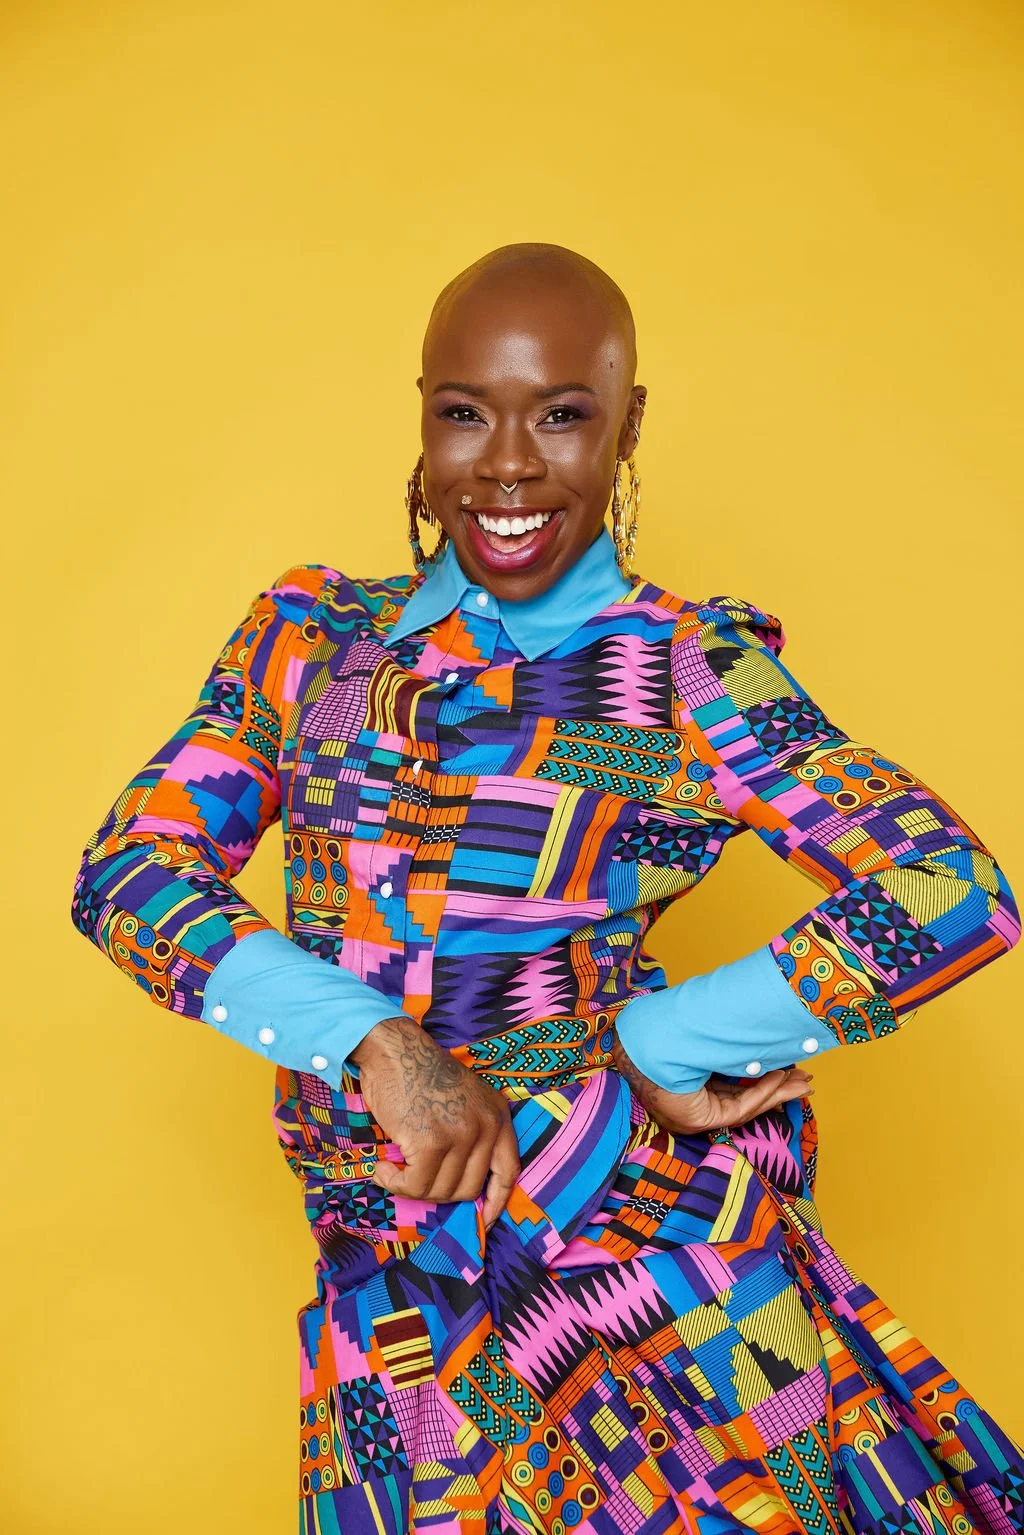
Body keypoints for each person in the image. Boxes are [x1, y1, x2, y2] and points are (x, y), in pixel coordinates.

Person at [72, 243, 1024, 1535]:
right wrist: (371, 1035)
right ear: (420, 414)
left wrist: (663, 1036)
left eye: (562, 413)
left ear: (629, 424)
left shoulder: (681, 671)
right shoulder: (312, 641)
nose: (508, 463)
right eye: (465, 410)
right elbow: (130, 872)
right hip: (400, 1327)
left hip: (649, 1293)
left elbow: (950, 887)